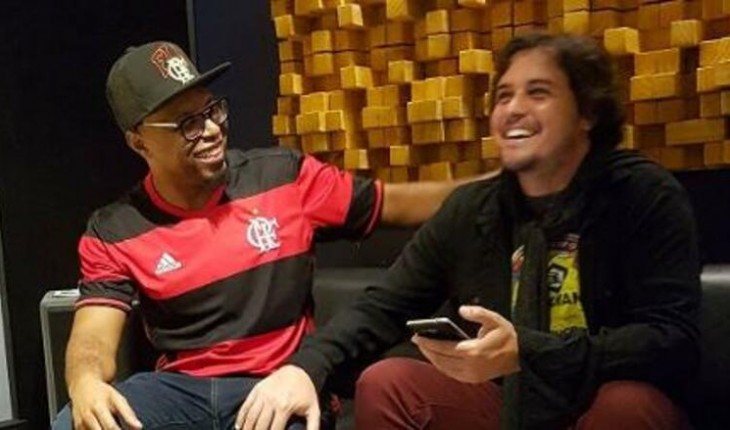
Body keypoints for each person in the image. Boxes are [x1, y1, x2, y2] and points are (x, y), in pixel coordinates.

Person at [243, 33, 701, 430]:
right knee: (389, 383)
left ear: (587, 112)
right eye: (503, 96)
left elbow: (671, 341)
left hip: (601, 397)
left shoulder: (641, 194)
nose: (514, 109)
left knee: (626, 406)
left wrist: (530, 351)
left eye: (538, 93)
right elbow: (383, 306)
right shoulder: (473, 209)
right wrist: (305, 367)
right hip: (508, 402)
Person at [53, 41, 484, 430]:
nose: (211, 130)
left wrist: (498, 186)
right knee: (74, 422)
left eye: (212, 110)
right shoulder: (113, 229)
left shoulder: (284, 177)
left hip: (277, 382)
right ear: (139, 143)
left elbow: (398, 203)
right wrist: (85, 382)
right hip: (181, 393)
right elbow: (93, 336)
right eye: (187, 123)